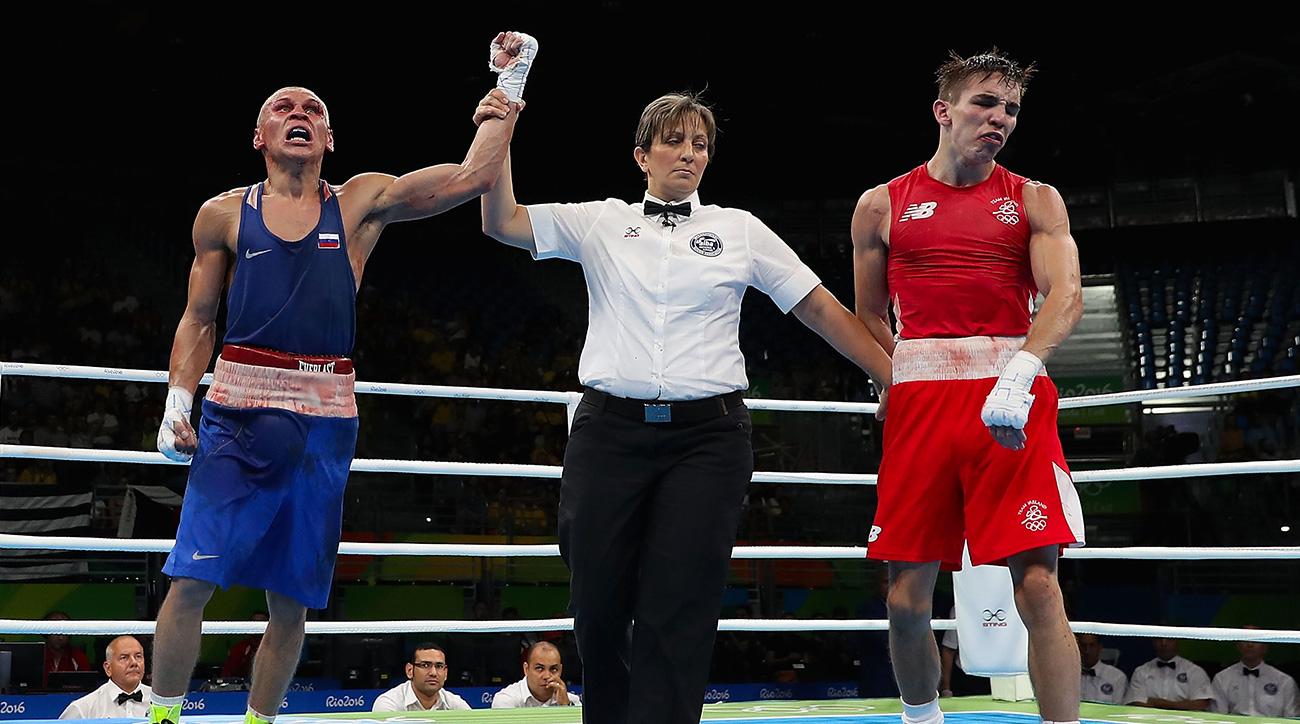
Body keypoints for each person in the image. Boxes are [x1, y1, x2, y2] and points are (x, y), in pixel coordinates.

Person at [147, 31, 537, 724]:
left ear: (329, 135)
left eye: (313, 106)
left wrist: (509, 87)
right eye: (283, 105)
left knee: (291, 597)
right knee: (192, 576)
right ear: (259, 133)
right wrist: (178, 399)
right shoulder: (223, 213)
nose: (299, 110)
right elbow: (200, 317)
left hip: (324, 419)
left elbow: (470, 179)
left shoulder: (358, 201)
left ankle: (260, 722)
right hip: (238, 411)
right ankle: (162, 717)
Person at [482, 91, 891, 724]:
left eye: (700, 145)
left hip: (708, 440)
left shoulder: (739, 229)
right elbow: (500, 220)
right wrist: (503, 118)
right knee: (597, 600)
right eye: (674, 141)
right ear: (641, 155)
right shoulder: (600, 221)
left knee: (680, 603)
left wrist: (894, 379)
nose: (689, 154)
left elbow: (817, 307)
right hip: (608, 433)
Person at [852, 49, 1085, 724]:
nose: (1000, 119)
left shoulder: (1034, 198)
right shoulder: (880, 205)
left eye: (1011, 108)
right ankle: (921, 718)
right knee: (904, 598)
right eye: (986, 102)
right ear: (943, 110)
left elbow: (1065, 294)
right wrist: (892, 375)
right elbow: (869, 313)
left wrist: (1021, 370)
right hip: (922, 403)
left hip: (1008, 402)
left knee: (1039, 587)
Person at [1210, 627, 1298, 717]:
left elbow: (1291, 717)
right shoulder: (1222, 678)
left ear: (1265, 647)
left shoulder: (1285, 681)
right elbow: (1218, 715)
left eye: (1255, 640)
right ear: (1238, 645)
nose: (1250, 644)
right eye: (1245, 639)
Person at [59, 636, 150, 719]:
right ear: (108, 668)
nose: (134, 663)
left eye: (138, 656)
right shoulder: (83, 708)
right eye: (124, 657)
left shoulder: (161, 701)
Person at [372, 643, 470, 712]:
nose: (433, 673)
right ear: (410, 670)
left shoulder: (455, 703)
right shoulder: (388, 704)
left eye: (439, 666)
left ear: (446, 673)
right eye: (425, 665)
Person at [1126, 638, 1213, 711]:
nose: (1164, 644)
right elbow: (1136, 703)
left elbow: (1201, 704)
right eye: (1159, 640)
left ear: (1177, 641)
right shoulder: (1141, 671)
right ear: (1153, 642)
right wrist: (1183, 704)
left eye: (1169, 640)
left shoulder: (1195, 671)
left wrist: (1162, 703)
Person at [490, 642, 579, 708]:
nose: (547, 676)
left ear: (561, 670)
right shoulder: (506, 700)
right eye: (539, 668)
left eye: (553, 669)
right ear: (526, 669)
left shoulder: (572, 701)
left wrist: (566, 707)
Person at [43, 611, 91, 686]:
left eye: (64, 633)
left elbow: (87, 685)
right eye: (56, 633)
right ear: (45, 633)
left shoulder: (78, 656)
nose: (60, 638)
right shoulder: (36, 656)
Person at [1077, 633, 1126, 704]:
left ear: (1099, 647)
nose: (1087, 651)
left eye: (1092, 646)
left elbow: (1119, 709)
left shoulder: (1117, 677)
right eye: (1083, 645)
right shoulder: (1067, 675)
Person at [220, 611, 269, 679]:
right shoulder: (239, 648)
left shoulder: (275, 650)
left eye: (261, 623)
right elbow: (227, 676)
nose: (257, 626)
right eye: (254, 622)